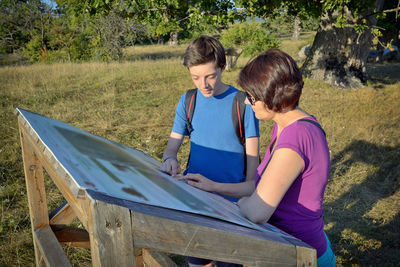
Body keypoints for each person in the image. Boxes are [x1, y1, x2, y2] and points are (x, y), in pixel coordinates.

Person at [181, 49, 335, 266]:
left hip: (300, 255)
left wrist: (242, 203)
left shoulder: (295, 138)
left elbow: (257, 211)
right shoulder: (287, 125)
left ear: (272, 96)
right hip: (287, 248)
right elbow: (258, 187)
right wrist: (212, 186)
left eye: (251, 97)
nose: (246, 103)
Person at [160, 35, 260, 267]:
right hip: (196, 202)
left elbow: (252, 173)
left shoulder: (243, 103)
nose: (203, 85)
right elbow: (172, 147)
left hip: (231, 208)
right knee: (197, 261)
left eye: (210, 76)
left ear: (223, 67)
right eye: (195, 77)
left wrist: (244, 202)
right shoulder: (188, 101)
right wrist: (169, 159)